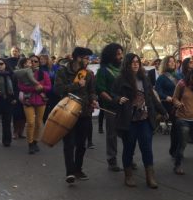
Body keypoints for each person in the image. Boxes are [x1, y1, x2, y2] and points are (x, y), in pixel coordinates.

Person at [112, 53, 167, 188]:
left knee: (147, 148)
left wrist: (163, 111)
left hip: (144, 119)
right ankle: (128, 175)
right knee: (129, 148)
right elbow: (112, 94)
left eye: (137, 62)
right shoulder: (120, 79)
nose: (136, 64)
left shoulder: (145, 78)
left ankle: (150, 176)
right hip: (129, 120)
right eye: (132, 62)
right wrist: (118, 99)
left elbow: (152, 97)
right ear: (127, 64)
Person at [54, 47, 98, 184]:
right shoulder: (63, 71)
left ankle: (78, 169)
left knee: (81, 144)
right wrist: (77, 85)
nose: (88, 61)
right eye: (86, 58)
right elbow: (58, 90)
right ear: (78, 58)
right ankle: (70, 172)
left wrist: (94, 100)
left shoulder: (88, 74)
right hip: (67, 111)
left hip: (84, 112)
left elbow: (92, 91)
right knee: (69, 143)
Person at [96, 43, 124, 172]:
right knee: (112, 135)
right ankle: (112, 160)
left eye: (121, 53)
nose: (121, 56)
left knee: (128, 134)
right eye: (118, 54)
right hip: (111, 107)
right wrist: (113, 101)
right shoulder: (103, 71)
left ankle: (129, 158)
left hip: (126, 107)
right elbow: (101, 90)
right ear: (111, 55)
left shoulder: (124, 69)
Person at [17, 55, 51, 155]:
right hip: (28, 101)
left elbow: (49, 87)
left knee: (39, 123)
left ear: (39, 63)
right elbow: (21, 87)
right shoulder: (23, 74)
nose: (33, 63)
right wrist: (34, 88)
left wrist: (41, 87)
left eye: (36, 61)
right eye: (31, 61)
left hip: (41, 100)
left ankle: (36, 141)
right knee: (31, 122)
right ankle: (30, 143)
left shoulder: (43, 74)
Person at [155, 56, 179, 156]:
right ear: (166, 64)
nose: (173, 63)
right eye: (170, 62)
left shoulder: (179, 76)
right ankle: (174, 150)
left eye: (174, 61)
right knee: (176, 127)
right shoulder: (161, 77)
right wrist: (167, 97)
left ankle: (177, 148)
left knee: (179, 128)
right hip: (168, 105)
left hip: (179, 104)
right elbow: (158, 92)